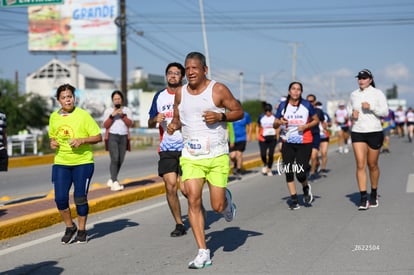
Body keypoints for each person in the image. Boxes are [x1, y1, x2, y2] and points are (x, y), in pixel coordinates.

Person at [167, 52, 243, 269]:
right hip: (191, 156)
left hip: (217, 155)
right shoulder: (180, 92)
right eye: (187, 68)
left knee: (216, 206)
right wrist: (174, 125)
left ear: (204, 70)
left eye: (194, 68)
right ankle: (203, 252)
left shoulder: (217, 90)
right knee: (193, 199)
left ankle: (226, 202)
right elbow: (178, 117)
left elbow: (238, 110)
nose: (190, 72)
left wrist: (221, 116)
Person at [49, 83, 102, 243]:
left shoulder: (83, 115)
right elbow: (52, 137)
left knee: (80, 197)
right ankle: (70, 226)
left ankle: (82, 229)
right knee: (60, 198)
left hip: (83, 162)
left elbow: (98, 137)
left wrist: (82, 140)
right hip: (61, 162)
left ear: (74, 98)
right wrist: (52, 143)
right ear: (59, 100)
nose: (68, 100)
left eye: (70, 97)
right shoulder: (54, 117)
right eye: (64, 97)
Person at [148, 62, 187, 237]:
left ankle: (197, 209)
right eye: (170, 73)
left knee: (186, 189)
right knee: (171, 186)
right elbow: (149, 121)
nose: (173, 76)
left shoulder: (187, 93)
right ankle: (179, 223)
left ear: (182, 77)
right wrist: (155, 118)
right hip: (167, 146)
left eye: (176, 73)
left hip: (188, 146)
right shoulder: (159, 96)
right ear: (166, 76)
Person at [273, 81, 319, 210]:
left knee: (300, 172)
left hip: (304, 142)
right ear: (289, 91)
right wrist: (280, 122)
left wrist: (306, 126)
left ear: (301, 92)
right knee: (288, 171)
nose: (296, 91)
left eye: (298, 89)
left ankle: (305, 187)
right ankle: (294, 199)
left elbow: (316, 120)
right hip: (287, 142)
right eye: (293, 89)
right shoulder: (283, 105)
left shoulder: (307, 105)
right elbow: (275, 124)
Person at [350, 69, 388, 210]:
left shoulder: (377, 93)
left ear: (370, 79)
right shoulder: (354, 95)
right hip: (358, 132)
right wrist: (352, 115)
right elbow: (350, 111)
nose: (361, 80)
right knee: (360, 164)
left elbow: (385, 111)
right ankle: (363, 198)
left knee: (372, 165)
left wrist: (371, 107)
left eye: (364, 78)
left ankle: (374, 192)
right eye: (359, 78)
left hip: (374, 132)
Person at [102, 90, 133, 191]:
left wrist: (123, 115)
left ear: (122, 100)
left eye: (118, 99)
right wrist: (112, 115)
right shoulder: (108, 111)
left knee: (121, 159)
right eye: (115, 99)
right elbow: (105, 125)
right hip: (112, 136)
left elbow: (130, 123)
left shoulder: (127, 110)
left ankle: (112, 179)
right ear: (112, 101)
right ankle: (115, 181)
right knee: (114, 158)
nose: (117, 101)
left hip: (124, 136)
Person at [228, 100, 252, 177]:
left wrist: (249, 134)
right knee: (232, 156)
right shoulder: (231, 115)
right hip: (233, 139)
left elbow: (250, 124)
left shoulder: (245, 115)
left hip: (242, 138)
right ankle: (236, 164)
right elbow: (228, 127)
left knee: (239, 154)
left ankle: (238, 169)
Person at [306, 94, 325, 181]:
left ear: (314, 102)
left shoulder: (318, 111)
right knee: (307, 156)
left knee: (314, 155)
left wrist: (325, 127)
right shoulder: (303, 111)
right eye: (308, 101)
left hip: (315, 135)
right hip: (305, 135)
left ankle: (312, 173)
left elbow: (323, 121)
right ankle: (314, 165)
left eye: (311, 101)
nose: (310, 103)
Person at [256, 103, 277, 176]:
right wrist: (257, 134)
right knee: (263, 154)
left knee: (270, 154)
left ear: (271, 111)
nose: (268, 113)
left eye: (269, 111)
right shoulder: (261, 117)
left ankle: (269, 168)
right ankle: (265, 164)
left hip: (273, 138)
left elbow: (278, 126)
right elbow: (258, 126)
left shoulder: (274, 117)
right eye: (266, 111)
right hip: (263, 138)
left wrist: (277, 134)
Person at [315, 101, 332, 176]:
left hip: (324, 135)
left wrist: (327, 124)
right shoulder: (312, 115)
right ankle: (317, 163)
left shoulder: (325, 115)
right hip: (315, 135)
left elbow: (330, 124)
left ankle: (323, 169)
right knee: (315, 154)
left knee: (324, 153)